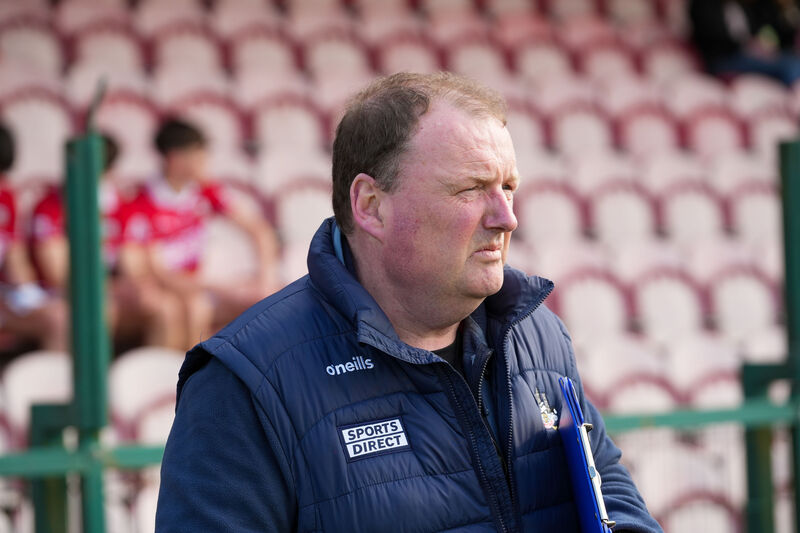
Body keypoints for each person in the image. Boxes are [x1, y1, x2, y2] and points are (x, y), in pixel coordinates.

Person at [156, 73, 662, 532]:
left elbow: (608, 495)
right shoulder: (244, 383)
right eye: (471, 189)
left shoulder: (537, 334)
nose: (507, 218)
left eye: (508, 187)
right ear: (372, 206)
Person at [122, 118, 280, 349]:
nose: (206, 161)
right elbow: (158, 272)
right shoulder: (141, 203)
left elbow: (259, 230)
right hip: (172, 290)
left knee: (270, 300)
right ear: (175, 159)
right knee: (193, 307)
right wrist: (219, 289)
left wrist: (266, 278)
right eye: (199, 154)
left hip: (202, 285)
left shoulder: (206, 190)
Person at [30, 133, 185, 350]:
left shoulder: (121, 207)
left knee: (166, 306)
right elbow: (59, 275)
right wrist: (112, 288)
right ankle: (92, 383)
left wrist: (136, 287)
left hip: (110, 290)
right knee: (101, 308)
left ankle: (158, 378)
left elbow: (134, 267)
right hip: (62, 295)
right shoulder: (50, 208)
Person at [0, 123, 66, 352]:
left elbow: (15, 260)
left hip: (7, 297)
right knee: (58, 320)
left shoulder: (6, 195)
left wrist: (31, 295)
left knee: (64, 315)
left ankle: (52, 385)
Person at [689, 0, 800, 86]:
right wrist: (745, 46)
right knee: (791, 65)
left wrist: (764, 45)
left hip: (753, 55)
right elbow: (710, 36)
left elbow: (764, 29)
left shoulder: (743, 6)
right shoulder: (705, 5)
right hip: (724, 59)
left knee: (791, 59)